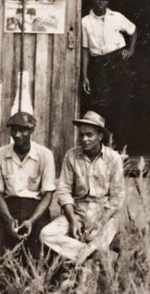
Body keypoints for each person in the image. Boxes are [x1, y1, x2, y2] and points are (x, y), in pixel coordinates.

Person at [40, 111, 126, 264]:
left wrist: (100, 222)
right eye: (81, 135)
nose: (84, 139)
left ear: (100, 136)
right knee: (46, 234)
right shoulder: (71, 156)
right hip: (78, 212)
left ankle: (88, 256)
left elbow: (117, 198)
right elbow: (64, 191)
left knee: (98, 240)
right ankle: (91, 254)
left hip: (104, 215)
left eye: (89, 135)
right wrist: (73, 220)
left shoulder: (113, 159)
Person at [0, 111, 56, 259]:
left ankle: (36, 281)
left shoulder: (45, 155)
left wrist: (31, 221)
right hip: (8, 208)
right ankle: (0, 282)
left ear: (32, 131)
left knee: (39, 250)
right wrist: (8, 219)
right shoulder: (0, 154)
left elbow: (48, 195)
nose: (17, 134)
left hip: (35, 210)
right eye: (14, 130)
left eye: (23, 130)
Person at [80, 0, 136, 145]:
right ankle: (104, 144)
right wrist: (84, 76)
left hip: (119, 61)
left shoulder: (117, 17)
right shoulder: (85, 22)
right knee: (102, 104)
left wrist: (130, 50)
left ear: (108, 2)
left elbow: (133, 31)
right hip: (99, 64)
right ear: (93, 1)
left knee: (122, 101)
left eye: (104, 0)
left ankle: (121, 146)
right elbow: (85, 49)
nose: (101, 3)